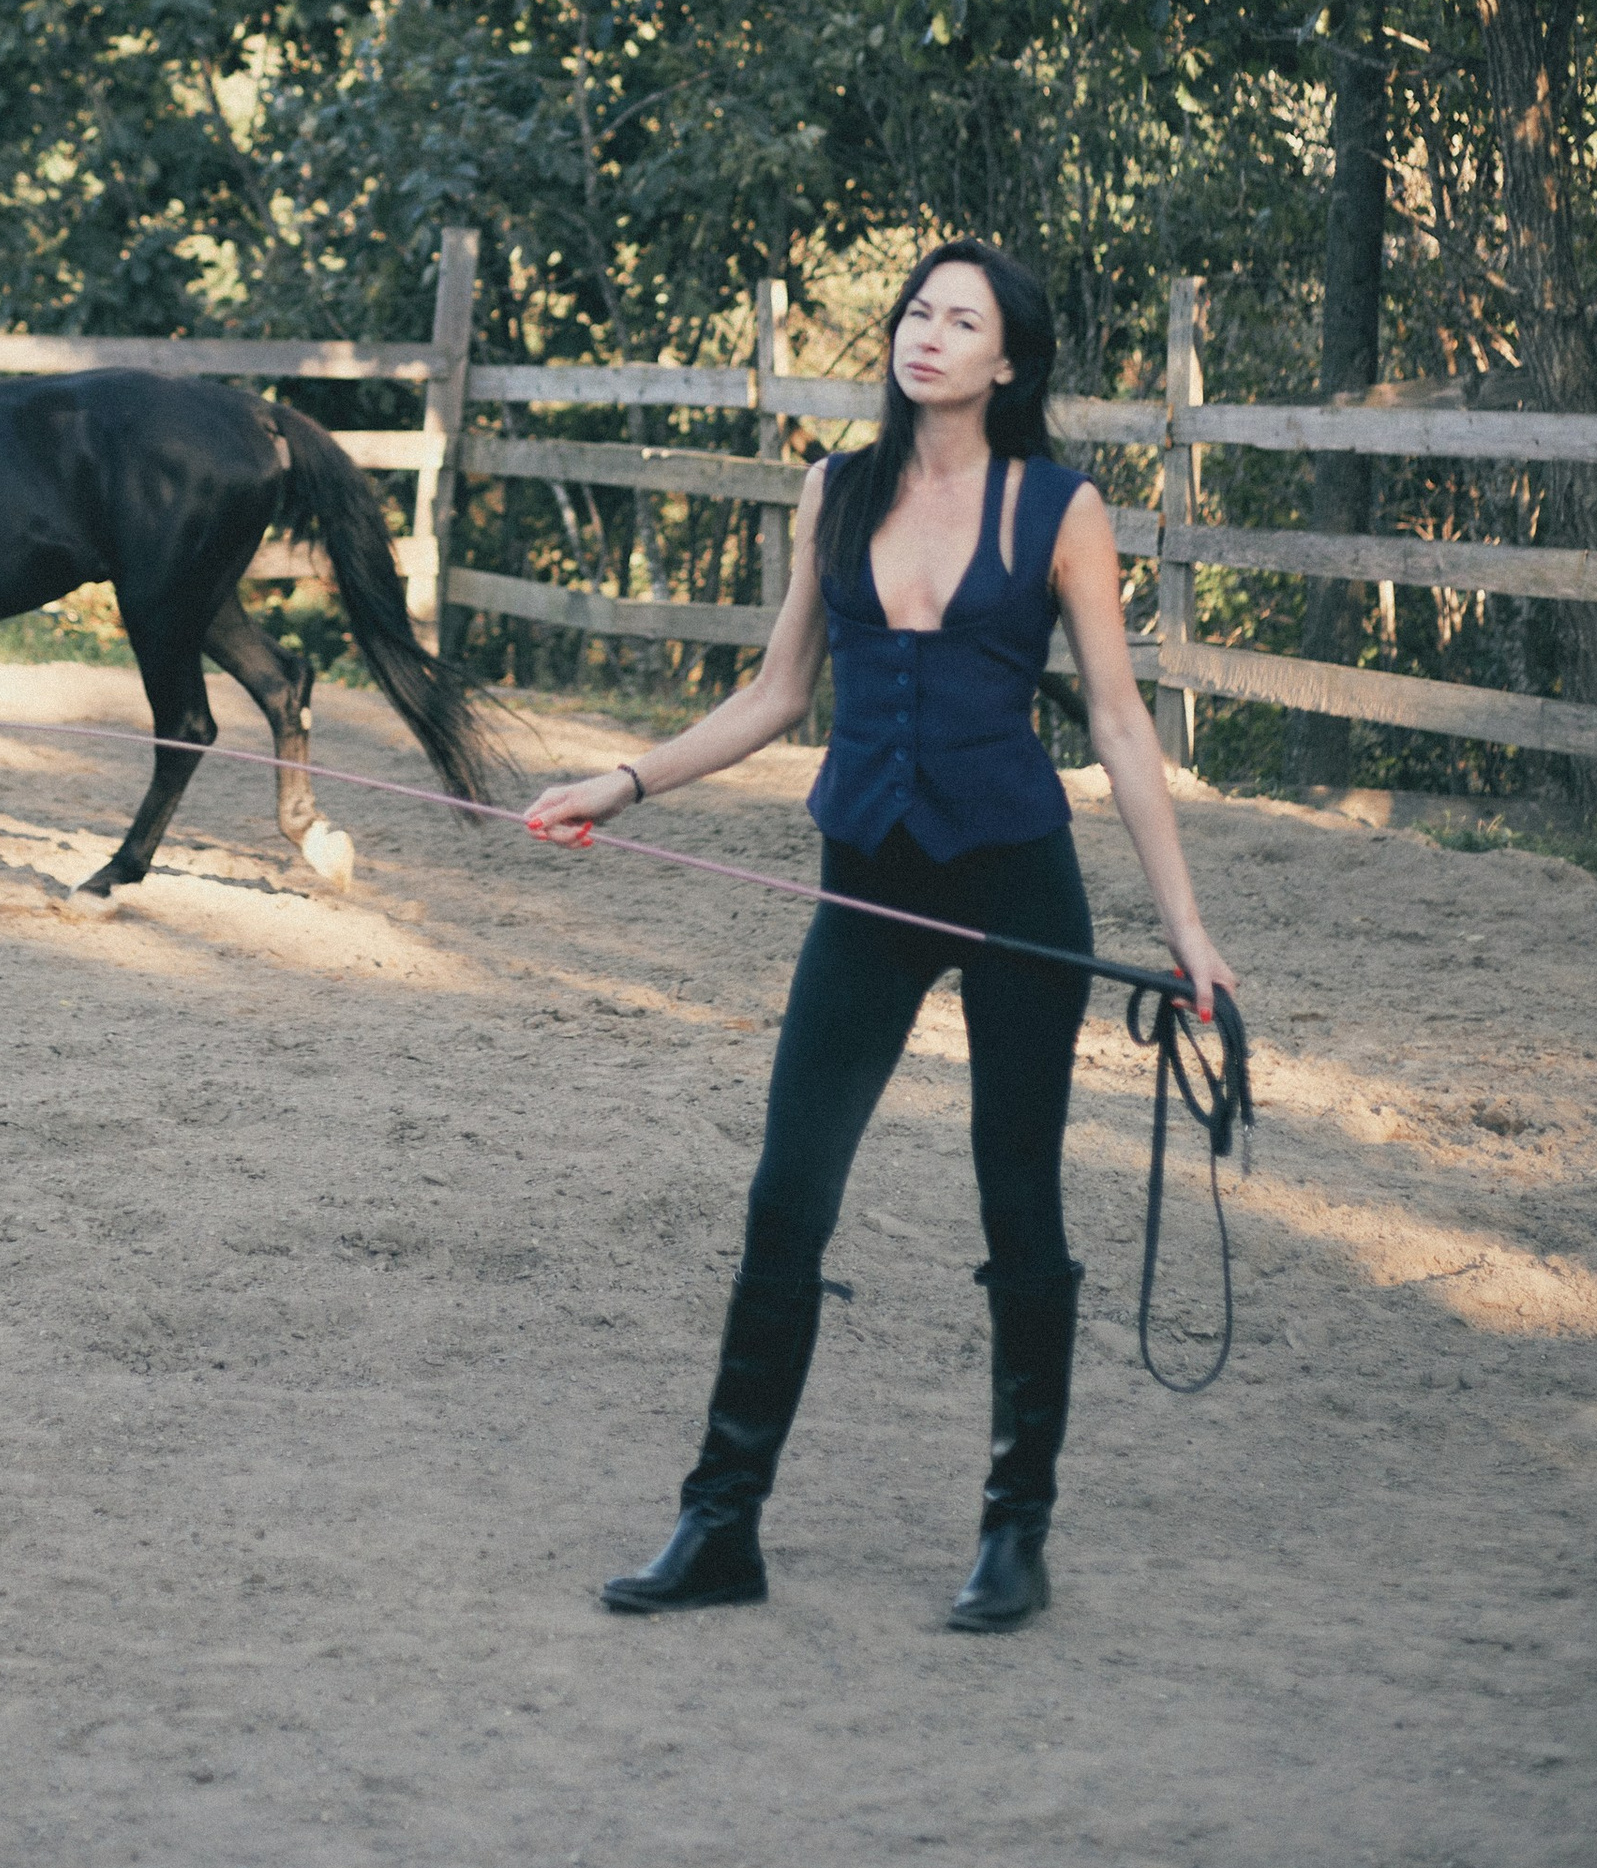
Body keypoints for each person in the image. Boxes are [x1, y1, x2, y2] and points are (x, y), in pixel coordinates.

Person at [526, 239, 1238, 1633]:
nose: (928, 334)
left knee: (1016, 1202)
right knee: (788, 1193)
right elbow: (779, 693)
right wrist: (623, 781)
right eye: (918, 310)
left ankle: (1013, 1530)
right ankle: (721, 1523)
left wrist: (1191, 932)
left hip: (1018, 887)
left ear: (1007, 360)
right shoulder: (836, 492)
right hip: (866, 881)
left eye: (962, 320)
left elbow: (1115, 720)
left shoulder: (1062, 508)